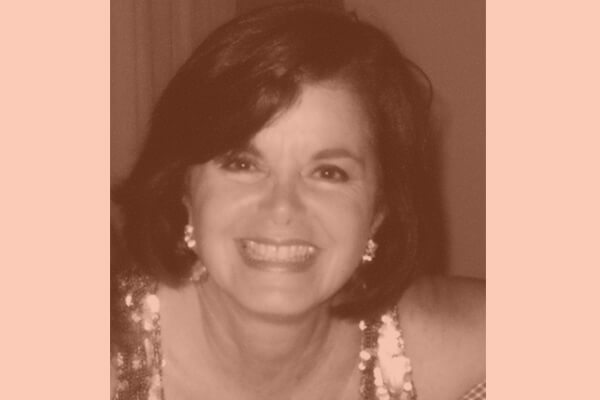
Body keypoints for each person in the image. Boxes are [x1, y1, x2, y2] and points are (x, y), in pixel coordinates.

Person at [111, 4, 485, 400]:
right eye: (243, 164)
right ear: (182, 187)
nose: (282, 208)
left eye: (328, 173)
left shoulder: (452, 350)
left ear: (380, 209)